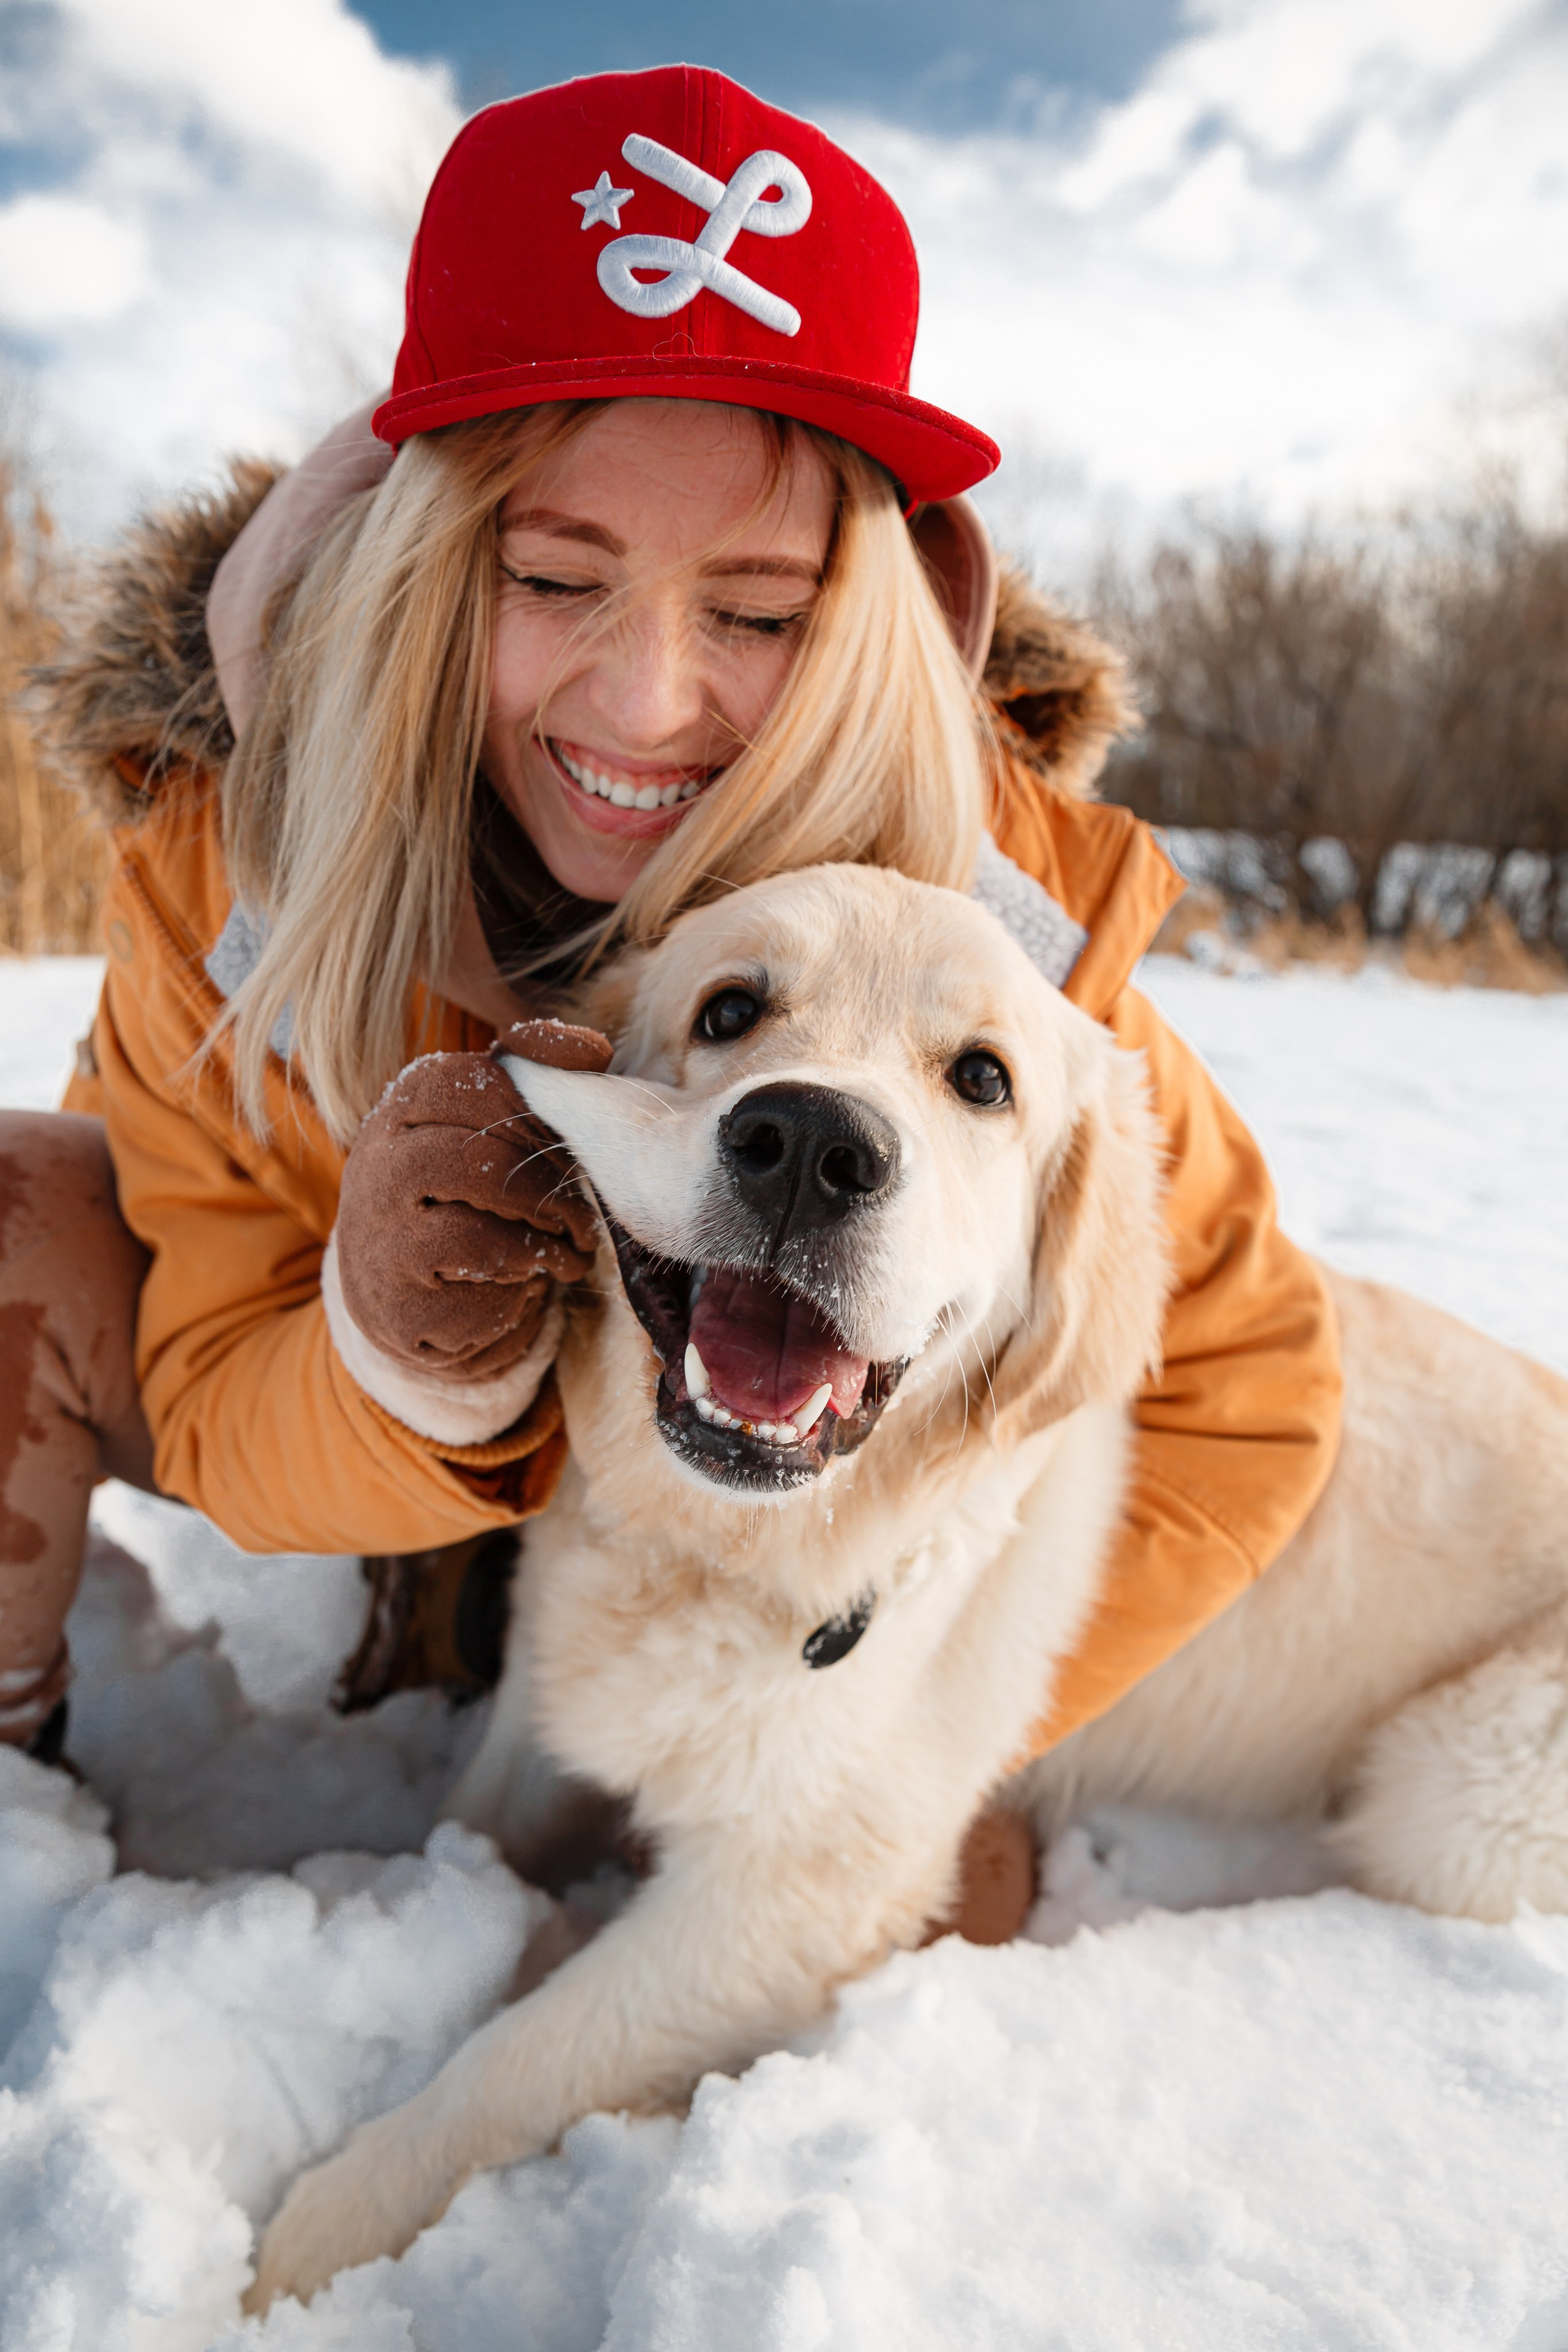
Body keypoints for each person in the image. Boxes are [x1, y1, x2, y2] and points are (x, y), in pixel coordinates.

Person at [4, 67, 1338, 1937]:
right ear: (414, 568)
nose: (646, 712)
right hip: (381, 1446)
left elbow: (1253, 1396)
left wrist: (893, 1733)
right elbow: (215, 1384)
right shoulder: (224, 864)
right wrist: (401, 1348)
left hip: (772, 1513)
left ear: (870, 614)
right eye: (552, 576)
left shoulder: (995, 913)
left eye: (763, 614)